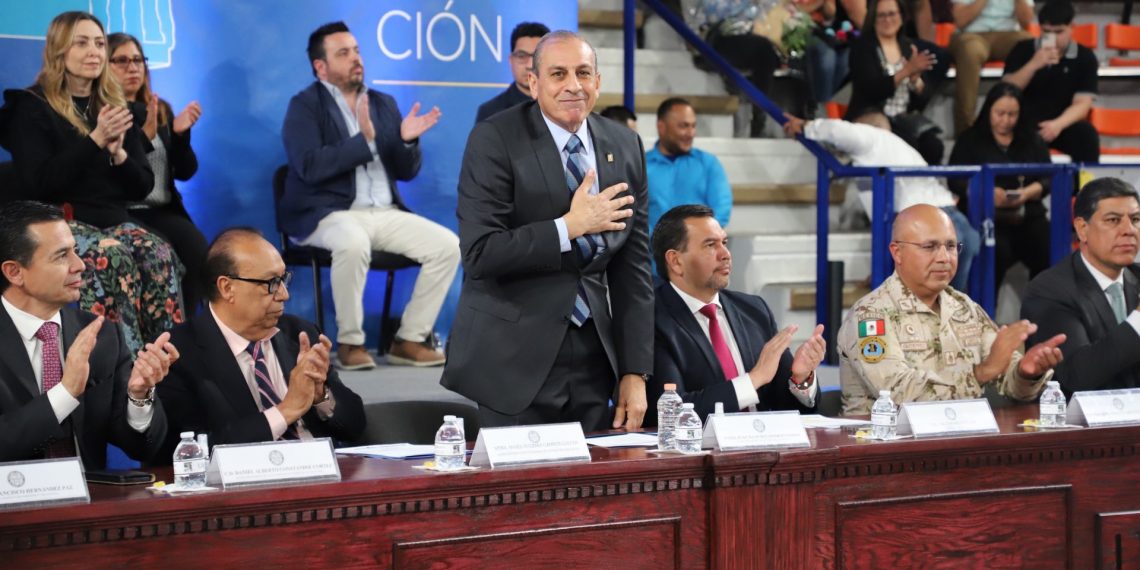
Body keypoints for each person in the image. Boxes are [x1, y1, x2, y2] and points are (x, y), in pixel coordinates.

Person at [443, 31, 654, 432]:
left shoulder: (625, 144)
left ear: (597, 82)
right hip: (512, 357)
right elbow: (481, 254)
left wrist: (635, 370)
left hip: (595, 358)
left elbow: (634, 270)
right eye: (558, 74)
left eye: (583, 73)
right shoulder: (495, 139)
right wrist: (568, 228)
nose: (573, 85)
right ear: (533, 82)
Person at [0, 11, 184, 356]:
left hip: (112, 219)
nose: (94, 52)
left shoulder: (113, 106)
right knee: (109, 257)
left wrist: (119, 154)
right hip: (59, 221)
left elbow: (142, 186)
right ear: (59, 50)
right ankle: (120, 366)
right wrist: (95, 140)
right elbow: (40, 184)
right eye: (81, 43)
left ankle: (165, 360)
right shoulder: (32, 107)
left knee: (158, 252)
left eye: (99, 43)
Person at [280, 22, 459, 370]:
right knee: (352, 242)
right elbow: (309, 166)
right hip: (326, 213)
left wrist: (406, 140)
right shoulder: (304, 106)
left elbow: (406, 172)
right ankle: (351, 343)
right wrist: (362, 142)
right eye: (343, 53)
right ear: (321, 67)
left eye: (356, 51)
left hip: (385, 212)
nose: (355, 59)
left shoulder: (382, 103)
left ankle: (409, 340)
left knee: (448, 247)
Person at [838, 204, 1064, 414]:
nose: (944, 258)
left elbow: (1006, 378)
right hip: (886, 441)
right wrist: (981, 373)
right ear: (897, 252)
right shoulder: (870, 315)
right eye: (929, 247)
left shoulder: (964, 308)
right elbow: (897, 393)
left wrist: (1025, 372)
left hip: (961, 436)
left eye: (951, 246)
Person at [0, 201, 175, 467]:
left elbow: (142, 448)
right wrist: (65, 393)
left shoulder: (100, 335)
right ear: (14, 272)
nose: (80, 265)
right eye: (61, 256)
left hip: (89, 493)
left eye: (75, 251)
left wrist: (138, 397)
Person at [159, 228, 366, 451]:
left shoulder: (300, 334)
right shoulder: (177, 354)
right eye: (271, 282)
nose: (284, 294)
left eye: (283, 279)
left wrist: (320, 395)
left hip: (319, 468)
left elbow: (355, 427)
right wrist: (285, 411)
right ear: (227, 288)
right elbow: (191, 450)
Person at [649, 205, 823, 423]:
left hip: (762, 441)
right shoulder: (651, 320)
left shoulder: (754, 310)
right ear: (676, 261)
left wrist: (801, 379)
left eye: (724, 242)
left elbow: (790, 409)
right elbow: (671, 413)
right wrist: (754, 379)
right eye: (710, 245)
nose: (725, 254)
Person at [784, 111, 979, 291]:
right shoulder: (886, 152)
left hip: (927, 215)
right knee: (964, 247)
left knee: (953, 257)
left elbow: (838, 130)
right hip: (939, 211)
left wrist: (806, 126)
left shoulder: (873, 138)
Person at [107, 32, 210, 313]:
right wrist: (142, 138)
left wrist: (180, 135)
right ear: (104, 66)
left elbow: (186, 172)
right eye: (122, 61)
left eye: (138, 60)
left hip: (162, 211)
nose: (133, 68)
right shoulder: (105, 114)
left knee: (200, 254)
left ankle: (188, 330)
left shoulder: (160, 108)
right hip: (123, 212)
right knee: (163, 256)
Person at [1021, 178, 1140, 394]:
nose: (1129, 230)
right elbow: (1076, 376)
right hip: (1083, 414)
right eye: (1113, 220)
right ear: (1082, 229)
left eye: (1135, 219)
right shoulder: (1049, 290)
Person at [948, 82, 1052, 290]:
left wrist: (1027, 193)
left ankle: (1040, 306)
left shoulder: (1032, 139)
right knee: (994, 253)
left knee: (1047, 245)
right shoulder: (970, 139)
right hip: (985, 218)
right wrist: (985, 192)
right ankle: (985, 308)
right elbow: (955, 179)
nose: (1005, 120)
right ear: (989, 110)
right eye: (1000, 113)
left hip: (1027, 214)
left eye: (1012, 114)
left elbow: (1048, 178)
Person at [846, 0, 945, 165]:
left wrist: (915, 80)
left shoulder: (908, 47)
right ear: (873, 18)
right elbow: (871, 90)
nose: (887, 20)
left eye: (892, 14)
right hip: (873, 118)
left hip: (902, 119)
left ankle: (925, 182)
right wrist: (906, 71)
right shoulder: (863, 48)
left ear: (901, 16)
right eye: (881, 15)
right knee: (904, 144)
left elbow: (922, 99)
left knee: (933, 146)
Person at [1001, 0, 1099, 163]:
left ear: (1072, 27)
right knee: (1019, 136)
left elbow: (1082, 104)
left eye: (1059, 32)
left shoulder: (1085, 57)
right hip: (1025, 123)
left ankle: (1085, 180)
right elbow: (1005, 91)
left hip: (1063, 122)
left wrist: (1057, 125)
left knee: (1086, 135)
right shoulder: (1023, 49)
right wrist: (1033, 65)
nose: (1053, 38)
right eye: (1047, 32)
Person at [686, 0, 783, 136]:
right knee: (764, 50)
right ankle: (758, 114)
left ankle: (760, 114)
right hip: (717, 37)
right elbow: (712, 12)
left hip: (752, 36)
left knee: (768, 52)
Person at [646, 98, 733, 232]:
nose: (691, 133)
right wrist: (659, 241)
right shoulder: (641, 165)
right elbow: (635, 215)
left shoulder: (708, 163)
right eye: (684, 126)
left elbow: (721, 210)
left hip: (701, 244)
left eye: (693, 126)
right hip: (652, 245)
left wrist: (695, 238)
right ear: (661, 127)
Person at [947, 0, 1034, 134]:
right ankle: (966, 130)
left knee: (1030, 45)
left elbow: (1026, 21)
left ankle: (1027, 126)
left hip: (1008, 33)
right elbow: (961, 20)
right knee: (970, 51)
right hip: (971, 34)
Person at [475, 22, 549, 123]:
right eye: (521, 56)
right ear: (511, 60)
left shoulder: (563, 105)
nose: (530, 65)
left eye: (537, 56)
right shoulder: (491, 112)